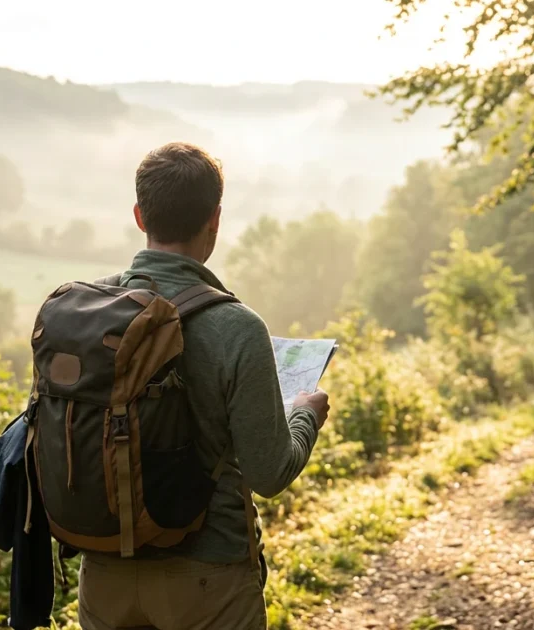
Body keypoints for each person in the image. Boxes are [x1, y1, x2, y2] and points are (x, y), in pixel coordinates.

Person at [77, 142, 330, 630]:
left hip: (103, 571)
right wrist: (305, 414)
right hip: (207, 576)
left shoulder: (87, 313)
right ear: (214, 219)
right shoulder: (236, 327)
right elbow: (270, 474)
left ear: (138, 215)